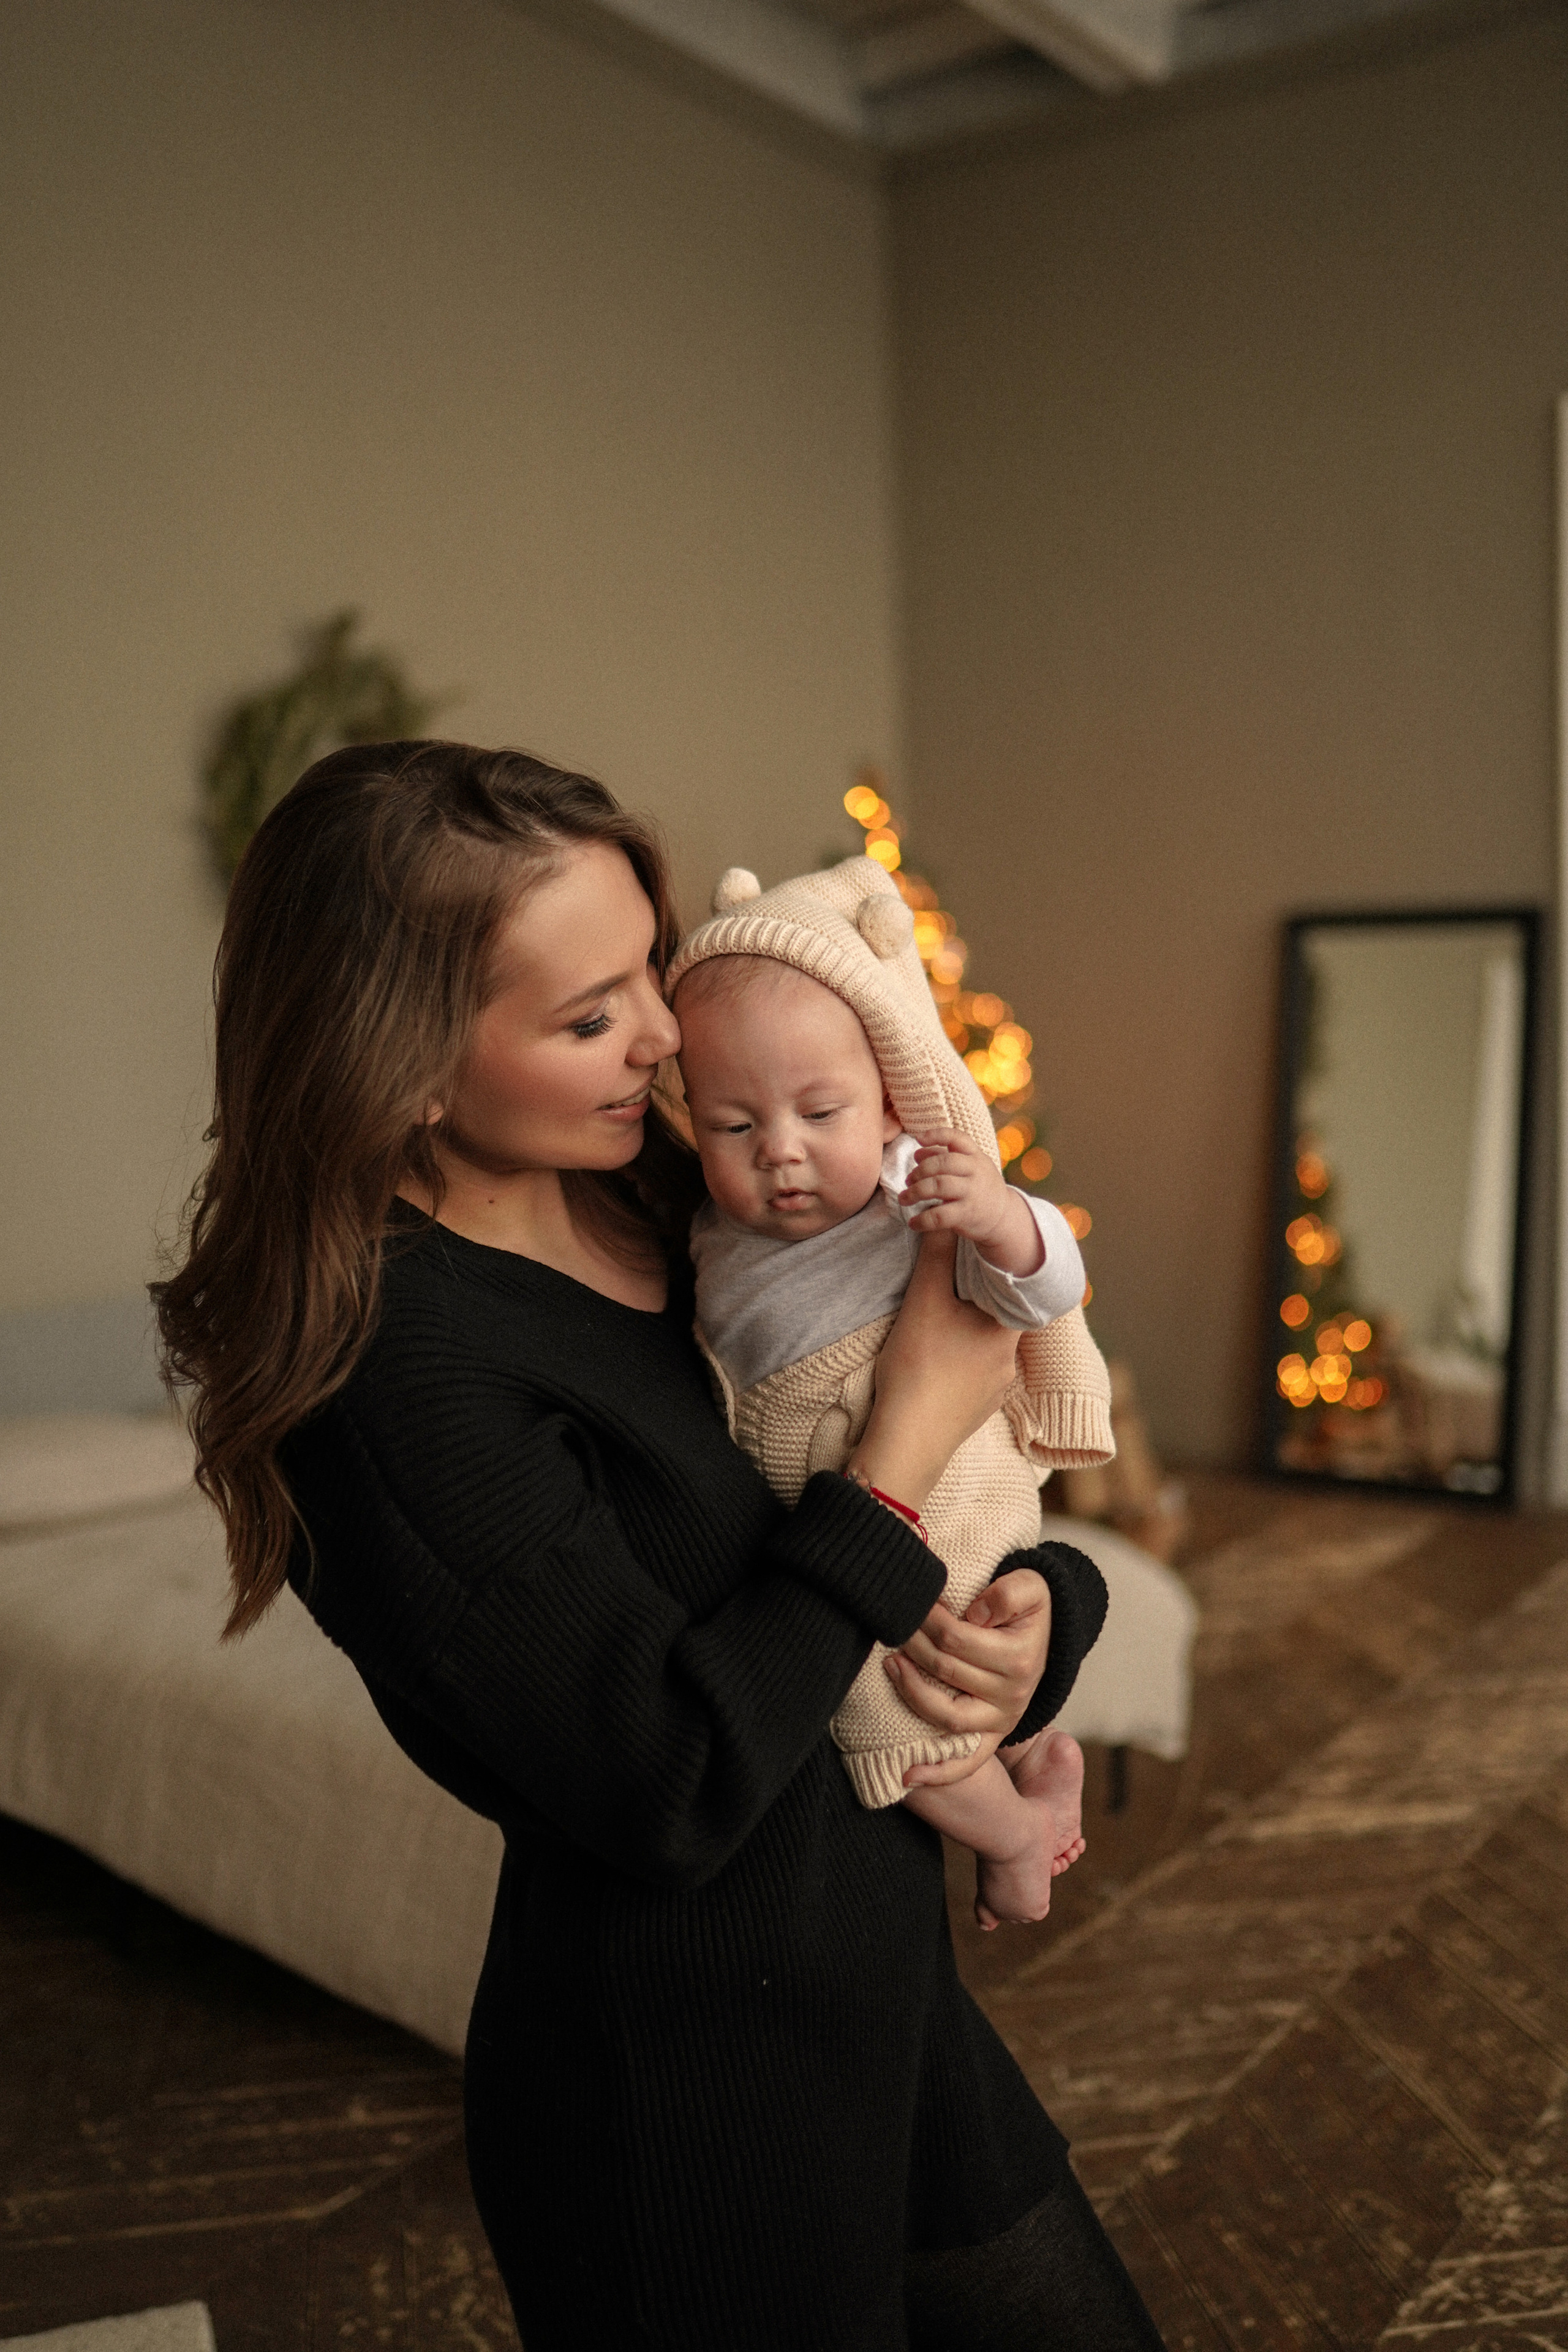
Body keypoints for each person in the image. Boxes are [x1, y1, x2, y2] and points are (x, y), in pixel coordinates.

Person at [154, 740, 1167, 2351]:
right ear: (407, 1063)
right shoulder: (394, 1381)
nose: (663, 1032)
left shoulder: (664, 1191)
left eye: (649, 967)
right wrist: (904, 1447)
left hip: (883, 2004)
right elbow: (676, 1778)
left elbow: (896, 1508)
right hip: (694, 2109)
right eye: (588, 1015)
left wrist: (1047, 1612)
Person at [669, 855, 1115, 1930]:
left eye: (821, 1111)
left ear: (887, 1099)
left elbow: (1044, 1283)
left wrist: (1003, 1219)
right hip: (843, 1507)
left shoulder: (914, 1195)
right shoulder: (699, 1231)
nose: (781, 1153)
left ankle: (1013, 1844)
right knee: (934, 1686)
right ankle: (1031, 1786)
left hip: (947, 1483)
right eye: (735, 1125)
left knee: (891, 1715)